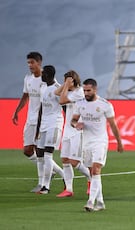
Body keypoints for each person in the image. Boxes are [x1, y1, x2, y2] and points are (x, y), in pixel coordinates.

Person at [12, 52, 63, 192]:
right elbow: (25, 96)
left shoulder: (47, 79)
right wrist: (17, 111)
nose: (30, 65)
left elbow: (57, 94)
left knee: (42, 152)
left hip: (45, 120)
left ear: (39, 63)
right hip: (31, 119)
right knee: (28, 150)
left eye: (32, 62)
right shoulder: (28, 79)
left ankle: (44, 182)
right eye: (28, 63)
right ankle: (54, 171)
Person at [71, 78, 124, 212]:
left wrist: (119, 142)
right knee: (92, 173)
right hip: (86, 142)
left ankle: (90, 202)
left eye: (88, 90)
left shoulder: (105, 105)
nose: (86, 93)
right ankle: (100, 202)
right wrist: (76, 125)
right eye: (84, 90)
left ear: (95, 89)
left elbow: (113, 125)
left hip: (100, 141)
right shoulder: (80, 104)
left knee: (96, 170)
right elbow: (73, 120)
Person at [54, 70, 91, 198]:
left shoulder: (79, 92)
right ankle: (69, 189)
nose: (65, 83)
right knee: (64, 159)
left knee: (74, 162)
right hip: (68, 129)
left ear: (73, 80)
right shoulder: (69, 90)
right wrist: (66, 84)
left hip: (77, 130)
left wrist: (67, 85)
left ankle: (92, 178)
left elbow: (61, 100)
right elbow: (56, 92)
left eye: (67, 80)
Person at [36, 65, 65, 194]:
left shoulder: (57, 89)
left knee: (48, 155)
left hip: (55, 124)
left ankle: (45, 187)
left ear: (47, 75)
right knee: (40, 155)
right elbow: (42, 108)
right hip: (44, 124)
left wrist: (70, 125)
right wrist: (38, 127)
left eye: (42, 73)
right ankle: (64, 175)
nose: (41, 75)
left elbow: (64, 107)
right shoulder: (43, 87)